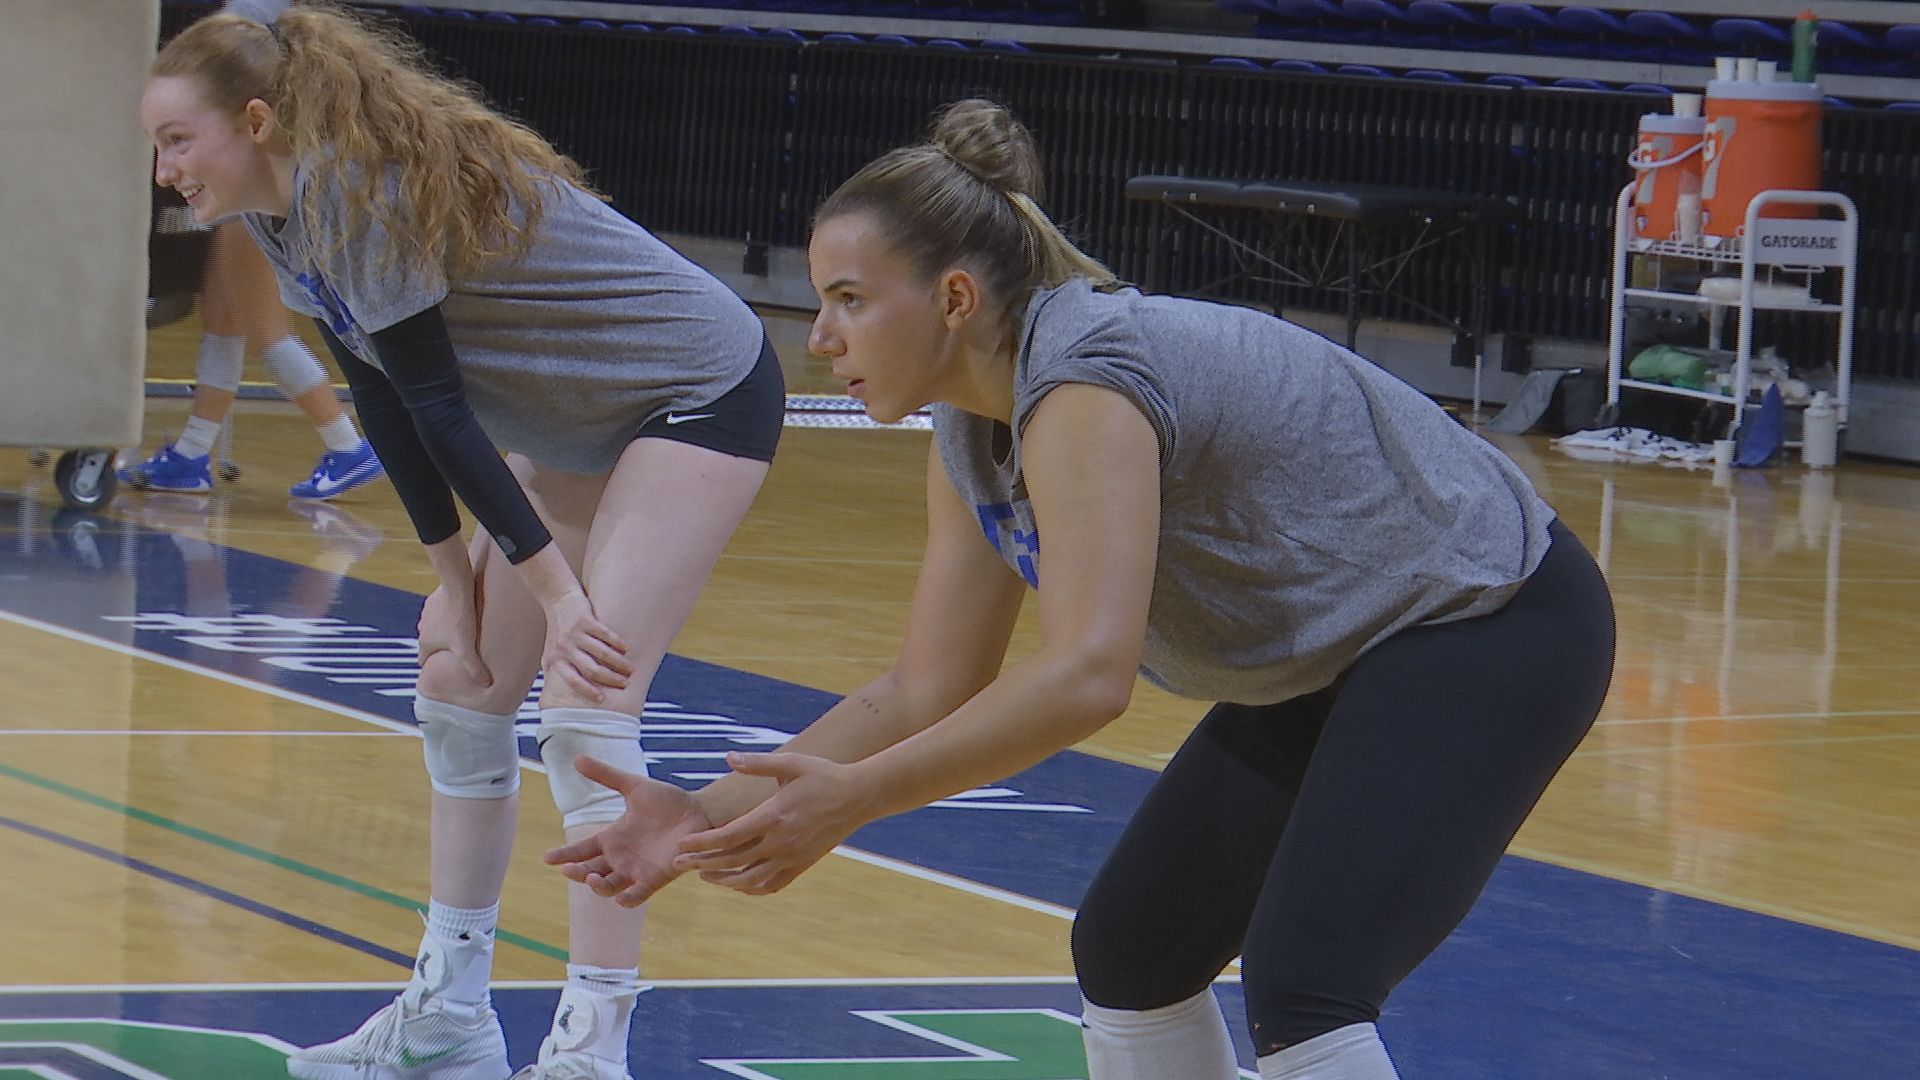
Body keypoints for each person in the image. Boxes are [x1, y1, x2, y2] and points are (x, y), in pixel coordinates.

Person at [545, 99, 1617, 1080]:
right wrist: (695, 819)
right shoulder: (973, 423)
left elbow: (1089, 677)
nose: (819, 335)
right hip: (1341, 649)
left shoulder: (1087, 384)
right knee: (1133, 953)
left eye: (849, 300)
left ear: (954, 298)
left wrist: (860, 799)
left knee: (1307, 988)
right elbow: (926, 684)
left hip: (1491, 622)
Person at [143, 4, 782, 1078]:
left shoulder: (354, 194)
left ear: (256, 121)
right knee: (458, 681)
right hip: (571, 421)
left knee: (588, 699)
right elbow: (383, 398)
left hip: (691, 392)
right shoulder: (277, 213)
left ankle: (592, 1050)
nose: (164, 172)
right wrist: (453, 583)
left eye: (176, 142)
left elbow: (442, 410)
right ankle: (449, 1015)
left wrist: (565, 603)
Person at [124, 219, 385, 498]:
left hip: (248, 207)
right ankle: (191, 454)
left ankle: (347, 446)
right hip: (234, 207)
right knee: (224, 322)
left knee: (268, 335)